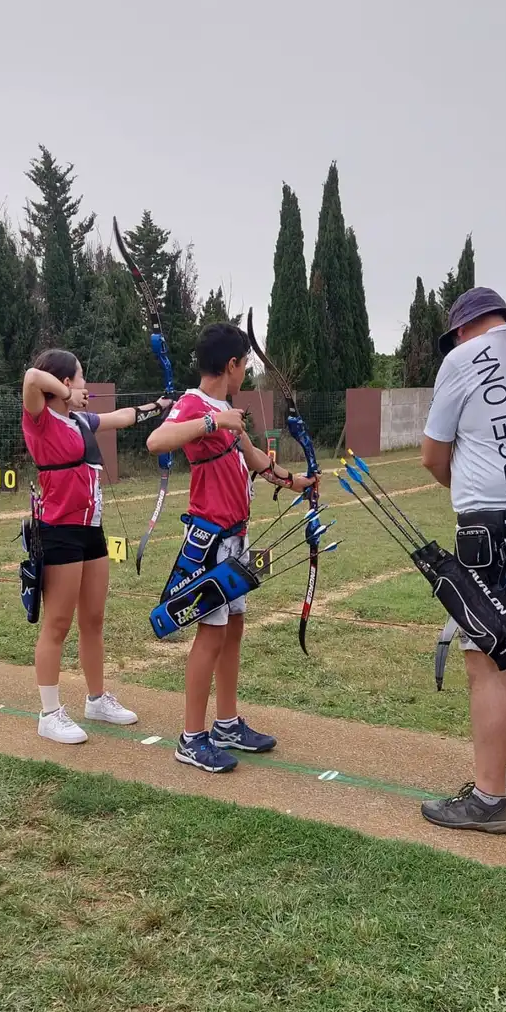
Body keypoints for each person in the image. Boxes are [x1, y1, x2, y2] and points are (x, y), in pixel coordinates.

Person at [146, 322, 314, 773]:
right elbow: (155, 441)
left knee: (234, 629)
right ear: (232, 364)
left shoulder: (226, 410)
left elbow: (255, 459)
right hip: (209, 539)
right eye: (245, 366)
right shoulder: (196, 405)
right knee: (212, 633)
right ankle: (191, 737)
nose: (246, 374)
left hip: (235, 537)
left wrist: (298, 482)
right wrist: (210, 420)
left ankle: (225, 723)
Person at [420, 287, 506, 833]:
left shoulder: (461, 359)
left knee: (485, 658)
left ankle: (488, 799)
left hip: (491, 530)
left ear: (463, 329)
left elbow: (433, 455)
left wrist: (458, 483)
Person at [22, 348, 170, 745]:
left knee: (94, 619)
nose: (86, 387)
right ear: (66, 384)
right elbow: (32, 376)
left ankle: (96, 698)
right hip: (59, 531)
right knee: (57, 623)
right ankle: (49, 713)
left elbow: (120, 418)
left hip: (91, 530)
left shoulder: (80, 422)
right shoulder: (41, 419)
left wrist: (159, 406)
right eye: (81, 379)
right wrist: (66, 396)